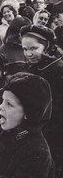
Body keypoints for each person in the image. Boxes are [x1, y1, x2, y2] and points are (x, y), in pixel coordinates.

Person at [21, 25, 63, 177]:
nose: (28, 53)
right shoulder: (35, 66)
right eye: (25, 49)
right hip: (39, 131)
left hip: (55, 134)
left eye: (34, 48)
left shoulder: (58, 70)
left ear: (47, 46)